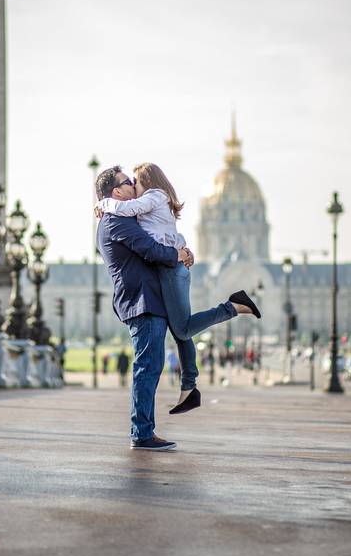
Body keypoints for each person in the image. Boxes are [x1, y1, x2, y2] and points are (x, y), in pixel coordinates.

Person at [98, 162, 260, 415]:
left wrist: (102, 204)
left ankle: (234, 306)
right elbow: (163, 234)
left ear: (147, 182)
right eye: (127, 182)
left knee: (182, 328)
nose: (132, 184)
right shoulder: (144, 208)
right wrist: (181, 250)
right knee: (180, 328)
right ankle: (189, 389)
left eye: (134, 180)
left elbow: (150, 244)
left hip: (172, 270)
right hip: (170, 270)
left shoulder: (151, 197)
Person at [95, 165, 196, 451]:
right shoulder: (116, 220)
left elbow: (156, 234)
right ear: (116, 192)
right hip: (143, 300)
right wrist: (176, 254)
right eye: (128, 182)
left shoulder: (118, 217)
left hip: (146, 299)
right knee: (147, 366)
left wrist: (181, 249)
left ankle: (145, 429)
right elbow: (149, 248)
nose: (134, 185)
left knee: (151, 365)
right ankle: (142, 433)